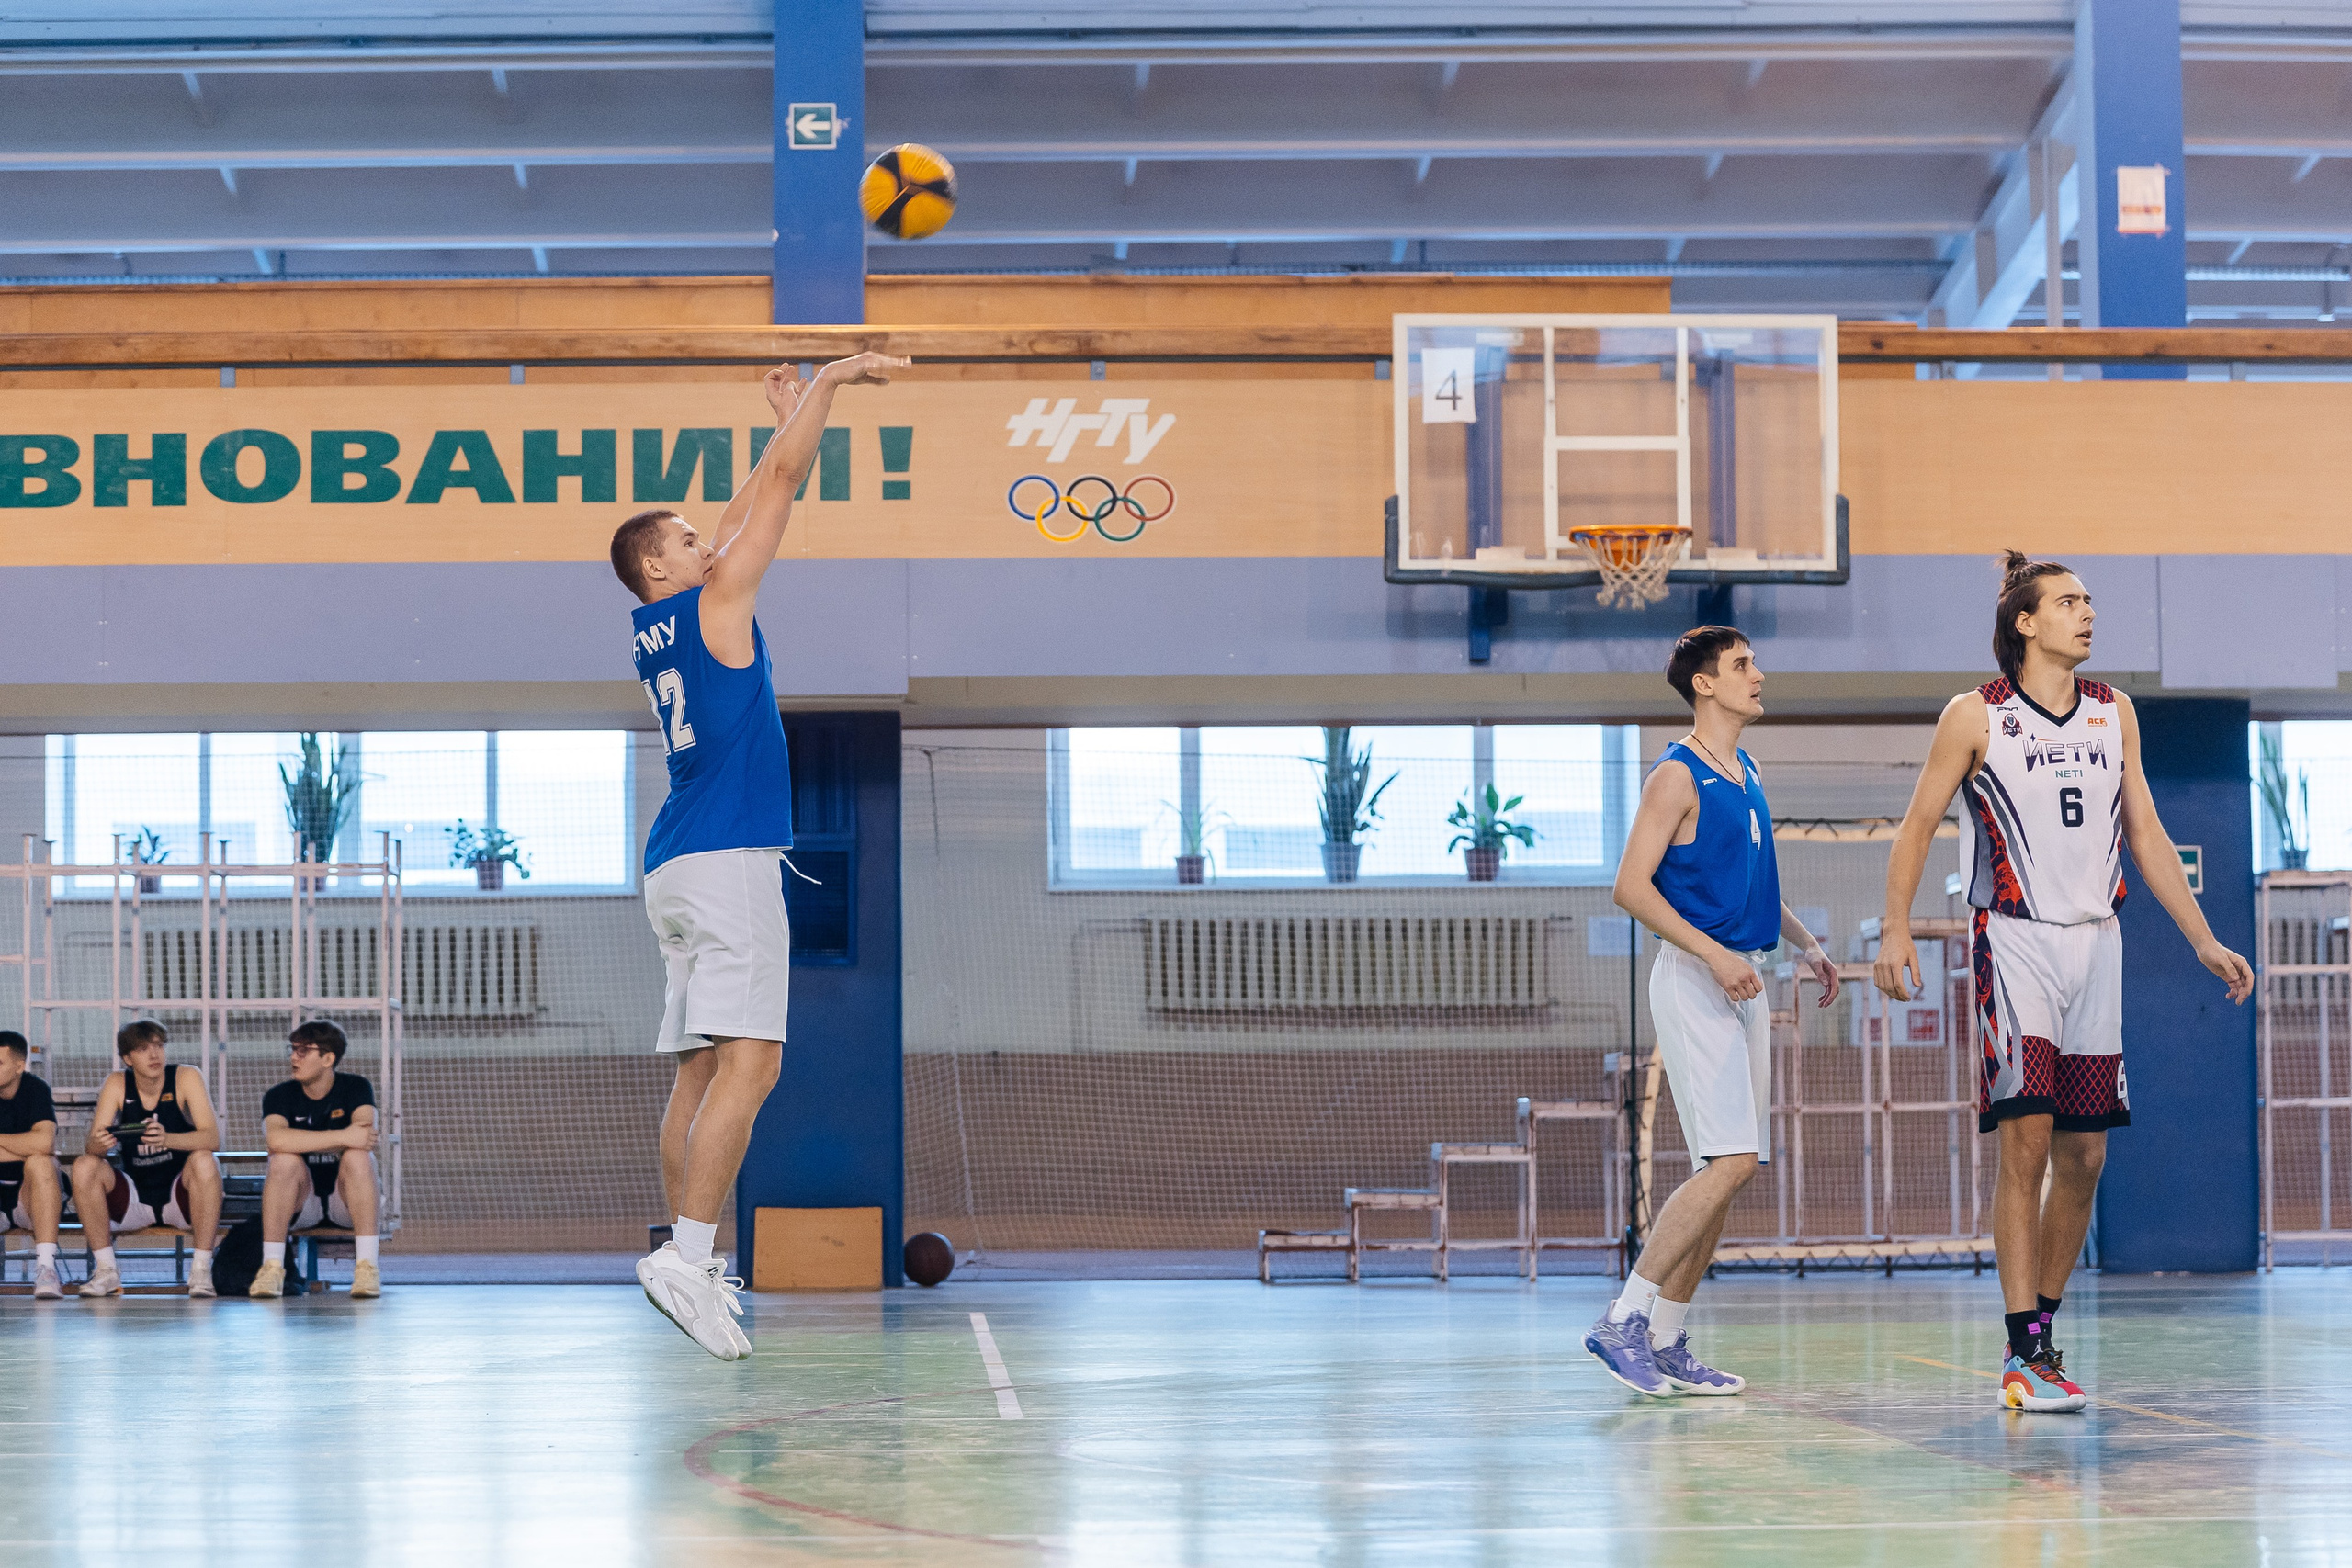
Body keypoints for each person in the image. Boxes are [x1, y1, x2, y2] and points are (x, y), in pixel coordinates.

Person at [1873, 551, 2253, 1412]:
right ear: (2025, 622)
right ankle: (2020, 1349)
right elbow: (1916, 827)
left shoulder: (2113, 713)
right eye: (2070, 601)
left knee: (2086, 1153)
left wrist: (2201, 937)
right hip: (2014, 941)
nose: (2088, 613)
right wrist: (1895, 929)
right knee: (2029, 1141)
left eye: (2090, 601)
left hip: (2098, 945)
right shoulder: (1976, 716)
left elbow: (2147, 831)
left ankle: (2041, 1337)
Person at [611, 349, 909, 1361]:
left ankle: (689, 1257)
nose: (710, 536)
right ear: (661, 564)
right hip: (730, 855)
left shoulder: (662, 622)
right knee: (757, 1059)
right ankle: (687, 1258)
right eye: (688, 536)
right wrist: (825, 386)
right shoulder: (714, 603)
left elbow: (747, 502)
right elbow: (774, 491)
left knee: (699, 1070)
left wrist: (781, 422)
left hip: (673, 862)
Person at [1588, 626, 1839, 1397]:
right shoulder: (1677, 775)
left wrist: (1805, 945)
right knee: (1728, 1160)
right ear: (1704, 684)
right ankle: (1623, 1318)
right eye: (1741, 665)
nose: (1758, 674)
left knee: (1729, 1166)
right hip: (1697, 978)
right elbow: (1631, 887)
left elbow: (1758, 885)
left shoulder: (1747, 767)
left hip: (1742, 976)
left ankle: (1665, 1337)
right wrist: (1716, 955)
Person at [72, 1019, 223, 1298]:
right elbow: (93, 1147)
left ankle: (201, 1270)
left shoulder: (185, 1076)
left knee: (205, 1160)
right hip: (134, 1199)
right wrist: (99, 1144)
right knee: (84, 1166)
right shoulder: (117, 1083)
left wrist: (169, 1139)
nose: (154, 1055)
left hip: (181, 1197)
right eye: (143, 1049)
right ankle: (106, 1271)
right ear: (128, 1058)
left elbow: (213, 1139)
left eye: (158, 1045)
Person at [251, 1020, 380, 1300]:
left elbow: (363, 1136)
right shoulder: (279, 1095)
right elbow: (276, 1141)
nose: (293, 1057)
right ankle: (272, 1268)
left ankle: (367, 1267)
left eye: (302, 1051)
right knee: (283, 1160)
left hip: (344, 1200)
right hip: (301, 1202)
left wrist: (313, 1140)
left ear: (327, 1058)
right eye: (292, 1049)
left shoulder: (356, 1087)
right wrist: (344, 1136)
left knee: (358, 1157)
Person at [0, 1031, 64, 1299]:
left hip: (30, 1197)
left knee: (41, 1164)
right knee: (37, 1157)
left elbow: (45, 1142)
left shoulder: (35, 1089)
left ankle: (46, 1270)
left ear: (18, 1066)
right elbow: (35, 1143)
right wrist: (26, 1148)